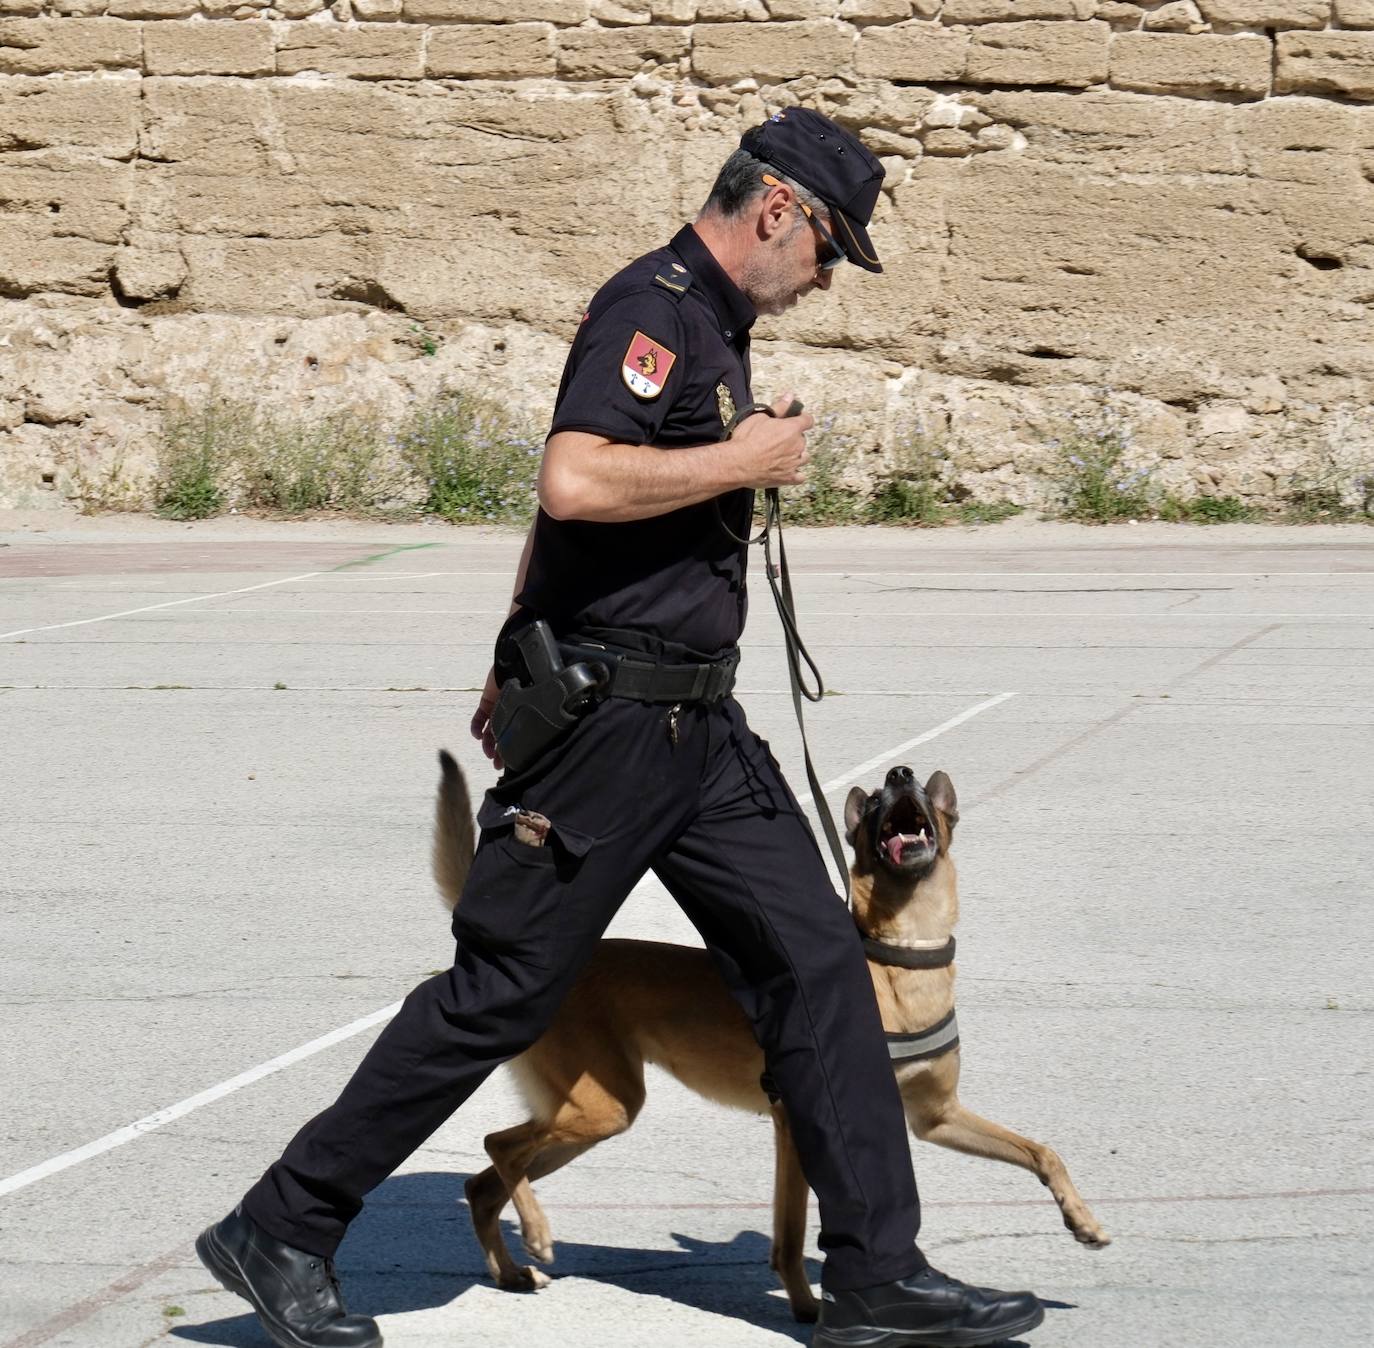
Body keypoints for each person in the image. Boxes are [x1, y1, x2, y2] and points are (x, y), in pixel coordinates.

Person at [196, 107, 1045, 1348]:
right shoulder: (652, 308)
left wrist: (519, 627)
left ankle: (877, 1277)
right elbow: (574, 477)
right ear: (778, 211)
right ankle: (282, 1224)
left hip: (700, 728)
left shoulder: (718, 327)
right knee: (502, 989)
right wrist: (740, 464)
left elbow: (582, 515)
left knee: (819, 966)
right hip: (610, 733)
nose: (825, 282)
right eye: (827, 251)